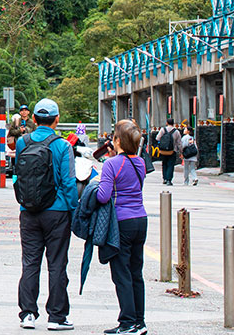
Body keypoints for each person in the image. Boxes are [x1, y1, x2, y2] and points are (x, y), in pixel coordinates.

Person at [15, 98, 78, 331]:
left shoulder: (23, 142)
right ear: (57, 119)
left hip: (28, 211)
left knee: (30, 262)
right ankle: (57, 316)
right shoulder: (63, 146)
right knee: (57, 264)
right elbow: (69, 182)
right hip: (57, 212)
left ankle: (27, 314)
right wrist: (73, 210)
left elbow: (18, 175)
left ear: (33, 119)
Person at [96, 120, 148, 335]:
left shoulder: (111, 164)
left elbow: (103, 196)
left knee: (121, 273)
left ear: (117, 140)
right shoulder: (141, 163)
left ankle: (126, 323)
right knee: (136, 272)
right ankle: (139, 321)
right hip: (141, 220)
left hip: (121, 223)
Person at [156, 117, 181, 186]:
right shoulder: (176, 132)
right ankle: (169, 180)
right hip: (172, 151)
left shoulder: (162, 130)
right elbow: (179, 143)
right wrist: (181, 151)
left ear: (167, 123)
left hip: (163, 150)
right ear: (173, 123)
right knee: (170, 165)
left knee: (164, 164)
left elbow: (157, 138)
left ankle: (164, 178)